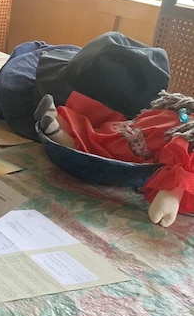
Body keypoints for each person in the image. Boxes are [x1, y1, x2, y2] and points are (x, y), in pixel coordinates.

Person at [36, 90, 194, 227]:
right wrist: (173, 192)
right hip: (166, 130)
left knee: (111, 138)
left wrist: (173, 192)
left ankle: (61, 126)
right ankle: (63, 129)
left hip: (163, 133)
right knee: (112, 139)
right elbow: (183, 151)